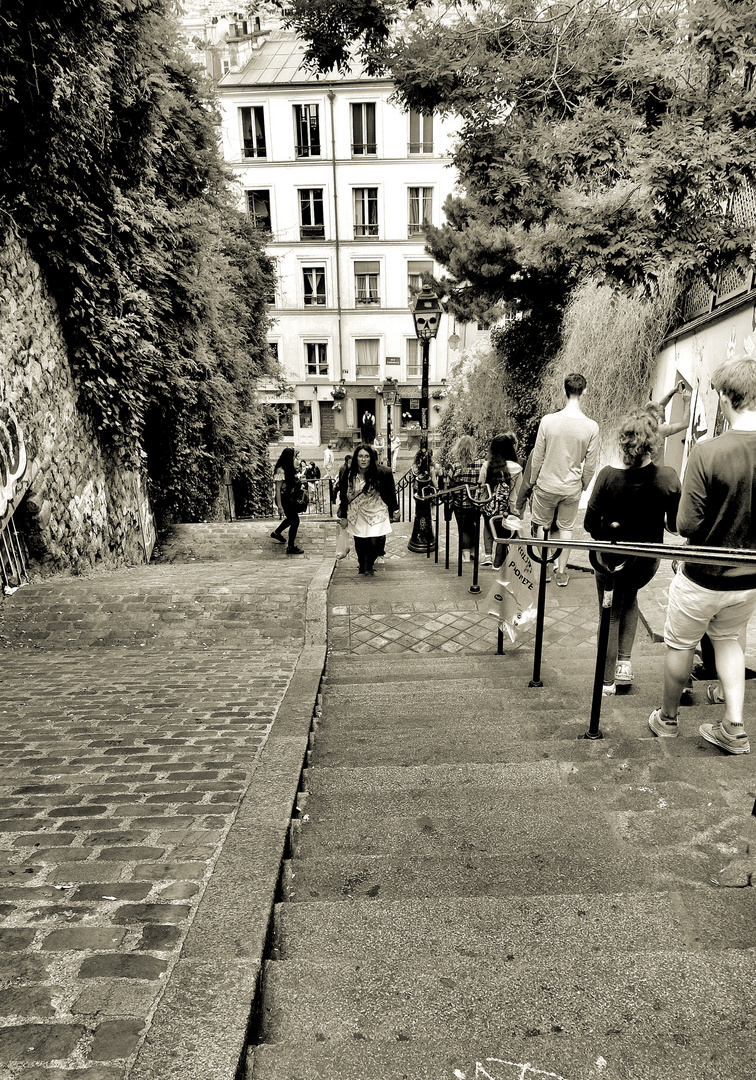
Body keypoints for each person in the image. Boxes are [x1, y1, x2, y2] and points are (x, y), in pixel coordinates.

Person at [648, 353, 756, 754]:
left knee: (681, 644)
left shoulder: (707, 454)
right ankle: (733, 726)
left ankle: (668, 720)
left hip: (703, 575)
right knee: (729, 640)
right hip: (749, 580)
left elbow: (686, 526)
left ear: (727, 398)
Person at [584, 411, 681, 695]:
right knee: (631, 596)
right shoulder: (668, 477)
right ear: (653, 444)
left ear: (623, 443)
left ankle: (607, 681)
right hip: (646, 562)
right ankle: (624, 664)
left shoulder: (607, 477)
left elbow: (590, 525)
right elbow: (675, 525)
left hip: (609, 560)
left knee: (610, 612)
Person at [528, 372, 599, 587]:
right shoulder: (591, 426)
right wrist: (583, 485)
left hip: (546, 484)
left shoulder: (548, 421)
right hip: (571, 487)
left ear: (564, 390)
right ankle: (561, 571)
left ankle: (545, 567)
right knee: (566, 528)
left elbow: (537, 455)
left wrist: (532, 480)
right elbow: (591, 464)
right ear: (584, 391)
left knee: (542, 524)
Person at [337, 443, 397, 575]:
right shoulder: (348, 473)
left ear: (371, 458)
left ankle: (369, 564)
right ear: (356, 458)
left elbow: (390, 492)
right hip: (356, 512)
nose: (363, 459)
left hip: (376, 511)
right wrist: (343, 516)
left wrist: (395, 509)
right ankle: (362, 565)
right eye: (360, 456)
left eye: (366, 456)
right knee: (360, 540)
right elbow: (343, 494)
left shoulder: (382, 472)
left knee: (375, 542)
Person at [478, 433, 522, 569]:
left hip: (489, 505)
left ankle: (488, 555)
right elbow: (519, 490)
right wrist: (519, 510)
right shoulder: (516, 468)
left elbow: (481, 485)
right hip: (508, 507)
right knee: (503, 532)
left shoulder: (487, 465)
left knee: (488, 527)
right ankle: (498, 562)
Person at [447, 435, 484, 562]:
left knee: (463, 529)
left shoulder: (455, 466)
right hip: (477, 502)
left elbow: (448, 485)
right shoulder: (482, 464)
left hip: (460, 503)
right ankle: (474, 552)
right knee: (474, 527)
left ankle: (466, 556)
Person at [645, 381, 692, 464]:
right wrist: (687, 402)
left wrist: (674, 390)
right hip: (657, 472)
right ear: (656, 415)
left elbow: (661, 405)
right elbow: (685, 424)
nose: (663, 407)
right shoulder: (659, 429)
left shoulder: (647, 423)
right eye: (661, 409)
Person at [271, 446, 305, 554]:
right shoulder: (280, 470)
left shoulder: (287, 468)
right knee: (295, 521)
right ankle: (290, 546)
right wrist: (279, 507)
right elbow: (277, 490)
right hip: (285, 500)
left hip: (288, 498)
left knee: (291, 519)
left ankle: (277, 533)